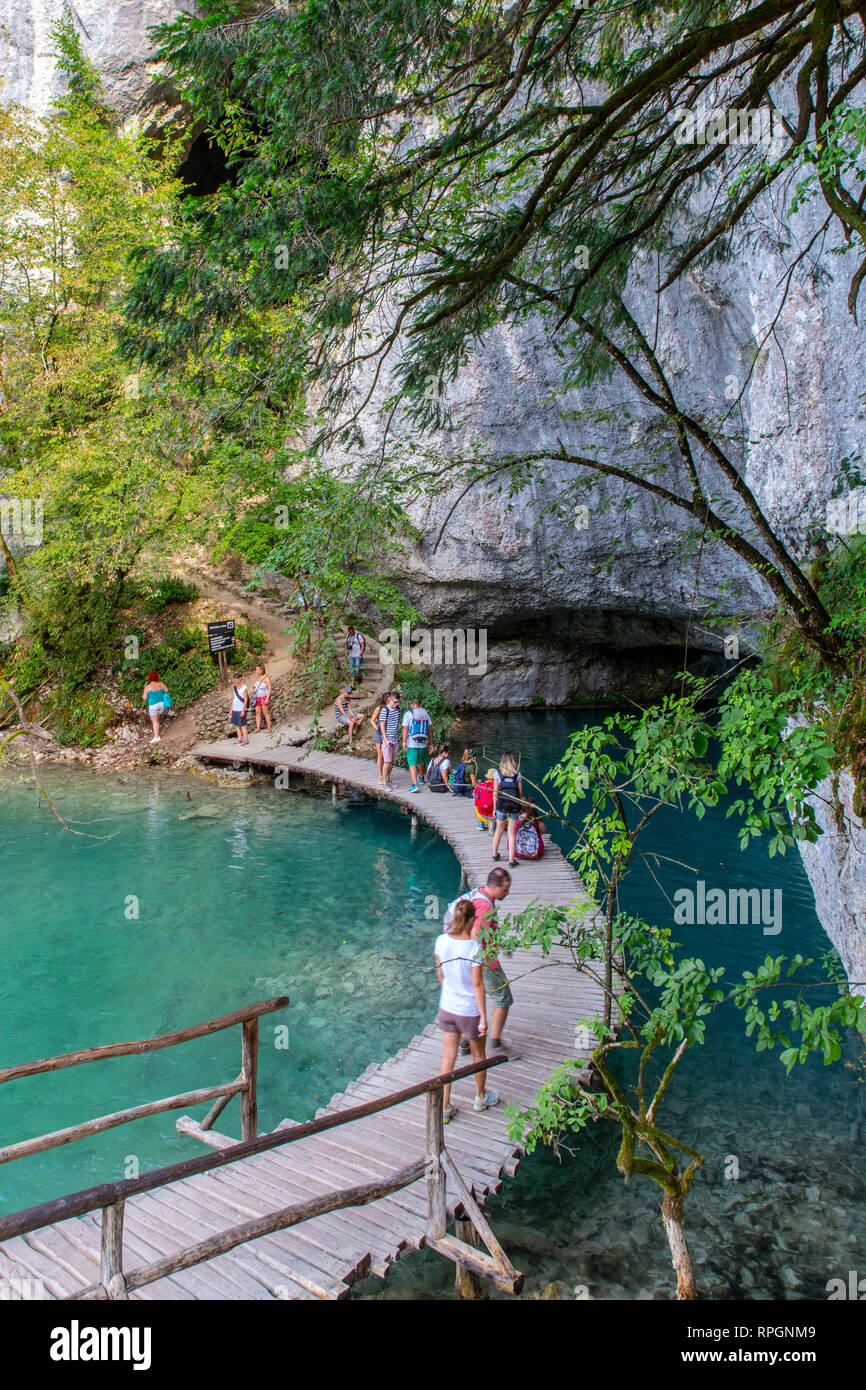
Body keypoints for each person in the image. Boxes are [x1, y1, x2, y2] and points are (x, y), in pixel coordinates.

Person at [444, 867, 518, 1058]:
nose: (508, 893)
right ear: (494, 886)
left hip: (460, 955)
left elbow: (489, 926)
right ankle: (495, 1043)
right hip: (480, 958)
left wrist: (501, 944)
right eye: (505, 889)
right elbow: (476, 935)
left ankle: (464, 1042)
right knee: (503, 998)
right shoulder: (485, 906)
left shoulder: (479, 893)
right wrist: (485, 963)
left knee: (471, 995)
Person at [435, 899, 498, 1120]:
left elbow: (440, 975)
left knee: (448, 1057)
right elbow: (477, 984)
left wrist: (451, 993)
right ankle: (480, 1097)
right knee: (478, 1055)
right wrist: (482, 1017)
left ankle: (444, 1107)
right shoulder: (474, 947)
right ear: (472, 919)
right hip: (468, 1010)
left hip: (447, 1008)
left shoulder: (441, 942)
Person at [492, 752, 524, 868]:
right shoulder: (517, 775)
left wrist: (494, 809)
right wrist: (519, 806)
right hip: (514, 807)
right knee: (511, 833)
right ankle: (511, 860)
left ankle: (495, 855)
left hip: (501, 806)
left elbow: (495, 794)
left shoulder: (497, 774)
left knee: (498, 831)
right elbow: (520, 794)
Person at [401, 696, 433, 792]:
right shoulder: (425, 713)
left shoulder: (408, 714)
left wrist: (404, 741)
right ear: (420, 705)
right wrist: (431, 743)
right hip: (423, 742)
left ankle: (415, 785)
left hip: (412, 743)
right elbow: (430, 728)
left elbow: (405, 728)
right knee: (421, 761)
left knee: (412, 763)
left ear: (412, 705)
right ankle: (422, 778)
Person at [379, 692, 401, 788]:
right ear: (390, 700)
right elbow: (382, 725)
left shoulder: (397, 710)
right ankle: (384, 782)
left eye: (398, 702)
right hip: (387, 739)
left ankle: (388, 779)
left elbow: (396, 724)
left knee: (392, 761)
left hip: (395, 739)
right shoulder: (384, 710)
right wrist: (385, 739)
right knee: (387, 761)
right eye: (395, 702)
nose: (397, 704)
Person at [142, 671, 169, 745]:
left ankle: (156, 737)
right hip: (162, 705)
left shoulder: (148, 687)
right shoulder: (161, 684)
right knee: (156, 718)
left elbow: (144, 698)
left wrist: (144, 690)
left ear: (149, 678)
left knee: (155, 721)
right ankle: (156, 730)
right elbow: (166, 690)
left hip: (153, 706)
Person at [252, 665, 272, 733]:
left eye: (257, 669)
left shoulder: (266, 678)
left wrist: (267, 698)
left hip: (264, 696)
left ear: (261, 670)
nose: (256, 671)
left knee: (265, 712)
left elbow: (269, 688)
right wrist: (252, 688)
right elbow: (255, 685)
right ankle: (258, 728)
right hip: (257, 697)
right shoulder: (258, 677)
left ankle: (269, 728)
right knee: (257, 712)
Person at [229, 678, 250, 745]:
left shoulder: (244, 688)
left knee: (242, 725)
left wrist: (243, 710)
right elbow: (234, 698)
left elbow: (246, 699)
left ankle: (246, 740)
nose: (235, 681)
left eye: (236, 679)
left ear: (240, 679)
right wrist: (231, 709)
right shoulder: (234, 688)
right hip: (235, 708)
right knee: (237, 725)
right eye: (234, 680)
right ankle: (239, 739)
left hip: (241, 708)